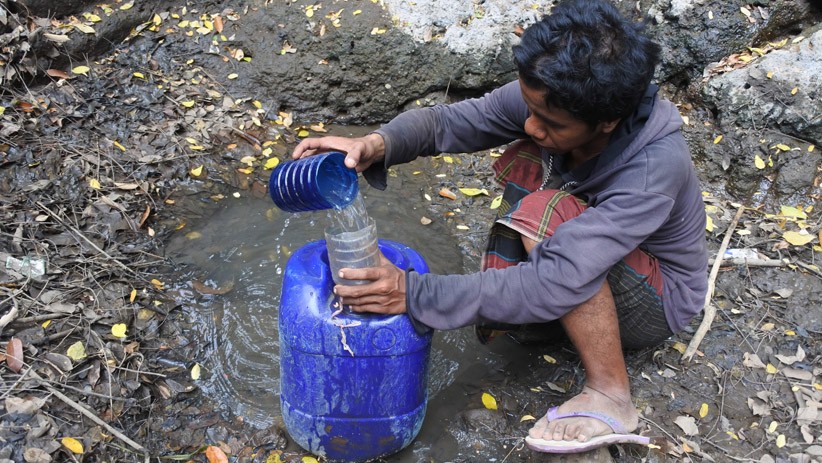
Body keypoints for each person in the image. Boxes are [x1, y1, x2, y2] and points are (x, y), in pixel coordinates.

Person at [292, 0, 707, 454]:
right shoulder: (554, 98)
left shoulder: (652, 167)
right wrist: (377, 143)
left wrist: (413, 293)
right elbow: (448, 122)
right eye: (529, 108)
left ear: (607, 121)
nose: (531, 123)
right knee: (537, 170)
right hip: (585, 263)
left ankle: (611, 395)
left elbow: (559, 276)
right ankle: (538, 320)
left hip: (656, 299)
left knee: (547, 215)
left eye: (550, 123)